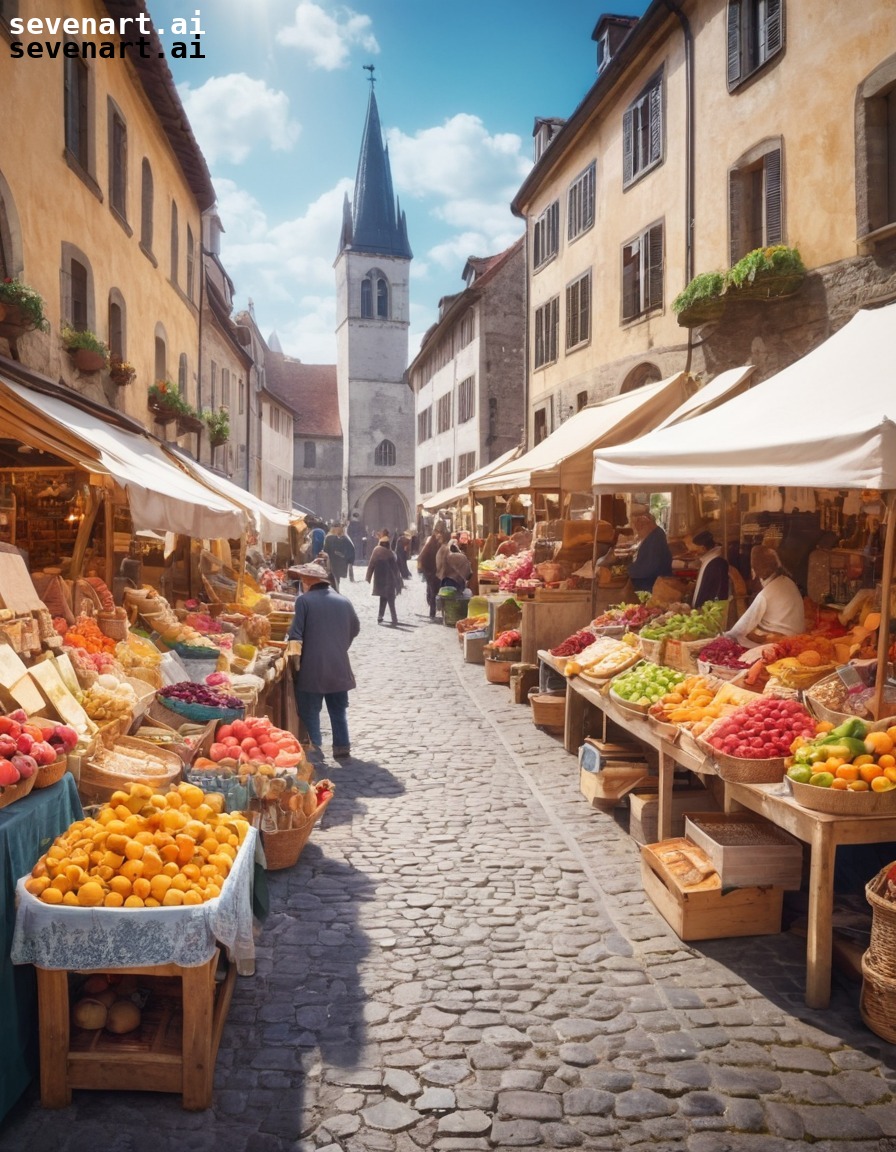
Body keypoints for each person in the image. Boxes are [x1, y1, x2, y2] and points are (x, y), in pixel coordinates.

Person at [286, 561, 360, 761]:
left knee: (310, 711)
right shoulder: (343, 600)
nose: (302, 582)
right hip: (338, 664)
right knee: (338, 709)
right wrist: (339, 646)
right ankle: (342, 747)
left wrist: (295, 660)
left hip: (313, 666)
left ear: (309, 581)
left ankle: (315, 749)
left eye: (303, 579)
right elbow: (355, 629)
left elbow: (296, 634)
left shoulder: (304, 601)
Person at [725, 545, 805, 645]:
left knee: (742, 636)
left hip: (779, 642)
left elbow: (740, 628)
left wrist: (725, 637)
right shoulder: (789, 582)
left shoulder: (765, 594)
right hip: (799, 637)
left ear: (754, 572)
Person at [627, 510, 673, 594]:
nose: (637, 529)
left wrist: (630, 571)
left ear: (647, 522)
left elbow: (650, 568)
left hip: (652, 586)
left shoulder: (656, 538)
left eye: (639, 526)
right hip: (649, 582)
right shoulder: (654, 535)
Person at [366, 531, 403, 625]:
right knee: (391, 599)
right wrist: (398, 582)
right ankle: (394, 618)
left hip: (380, 580)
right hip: (389, 580)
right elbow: (395, 569)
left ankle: (380, 616)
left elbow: (371, 564)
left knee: (383, 598)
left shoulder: (376, 550)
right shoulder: (390, 553)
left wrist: (368, 577)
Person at [690, 530, 730, 608]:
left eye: (696, 550)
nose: (695, 553)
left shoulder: (717, 563)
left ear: (703, 548)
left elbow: (719, 593)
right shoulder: (707, 560)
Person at [417, 526, 446, 620]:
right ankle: (432, 613)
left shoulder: (436, 541)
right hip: (429, 569)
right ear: (435, 532)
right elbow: (422, 555)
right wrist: (420, 566)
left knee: (432, 589)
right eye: (439, 532)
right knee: (433, 590)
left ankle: (432, 608)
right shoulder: (430, 541)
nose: (440, 535)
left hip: (433, 569)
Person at [323, 524, 355, 591]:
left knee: (333, 578)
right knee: (336, 578)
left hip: (332, 561)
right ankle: (336, 591)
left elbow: (326, 550)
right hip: (338, 562)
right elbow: (351, 549)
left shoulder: (329, 538)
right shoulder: (343, 538)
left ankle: (335, 591)